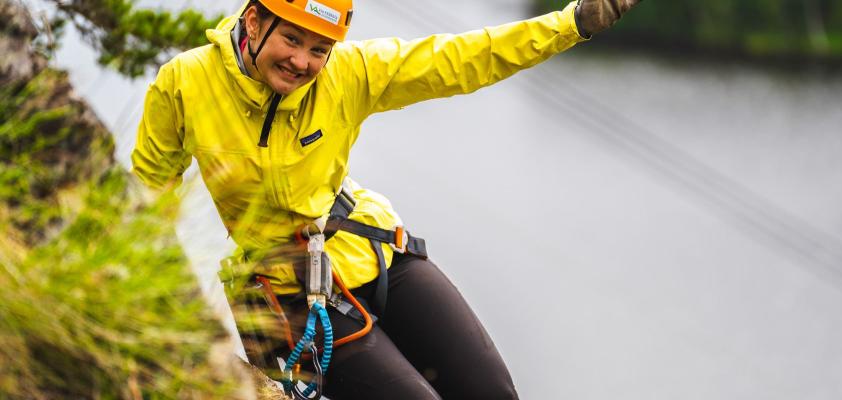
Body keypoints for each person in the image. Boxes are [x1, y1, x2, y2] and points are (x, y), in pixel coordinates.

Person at [131, 0, 640, 398]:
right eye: (290, 38)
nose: (301, 61)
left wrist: (575, 22)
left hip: (371, 246)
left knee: (492, 392)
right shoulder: (187, 82)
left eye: (318, 49)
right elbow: (150, 194)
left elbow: (463, 58)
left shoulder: (348, 73)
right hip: (282, 289)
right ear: (254, 19)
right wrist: (158, 303)